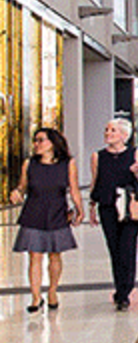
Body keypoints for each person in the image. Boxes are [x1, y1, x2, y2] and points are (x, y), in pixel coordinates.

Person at [10, 127, 83, 312]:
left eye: (40, 140)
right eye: (35, 140)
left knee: (54, 254)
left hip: (57, 213)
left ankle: (52, 291)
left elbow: (74, 189)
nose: (36, 144)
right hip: (33, 213)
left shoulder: (67, 163)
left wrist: (79, 209)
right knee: (34, 255)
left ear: (52, 143)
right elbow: (22, 186)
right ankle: (36, 297)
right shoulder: (29, 164)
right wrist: (17, 192)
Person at [90, 118, 138, 311]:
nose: (108, 133)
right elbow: (95, 182)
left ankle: (125, 292)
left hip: (130, 208)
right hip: (108, 207)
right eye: (107, 130)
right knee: (114, 249)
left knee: (127, 247)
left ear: (124, 135)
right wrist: (91, 206)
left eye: (113, 130)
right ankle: (120, 288)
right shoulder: (98, 156)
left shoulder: (135, 154)